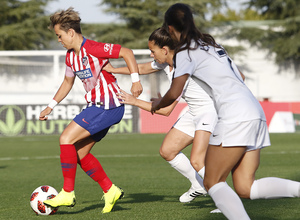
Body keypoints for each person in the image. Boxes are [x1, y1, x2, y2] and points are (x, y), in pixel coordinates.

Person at [151, 3, 300, 219]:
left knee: (212, 181)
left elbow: (174, 93)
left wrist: (157, 104)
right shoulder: (212, 44)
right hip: (254, 111)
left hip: (234, 115)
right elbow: (241, 76)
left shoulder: (184, 52)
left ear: (171, 28)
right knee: (245, 187)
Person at [39, 7, 143, 214]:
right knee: (79, 153)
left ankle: (67, 193)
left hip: (108, 105)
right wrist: (51, 105)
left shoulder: (94, 48)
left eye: (59, 35)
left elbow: (127, 52)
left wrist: (135, 81)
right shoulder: (70, 57)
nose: (59, 40)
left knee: (65, 138)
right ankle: (110, 190)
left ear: (71, 32)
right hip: (97, 106)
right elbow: (67, 82)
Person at [104, 27, 218, 203]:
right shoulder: (167, 62)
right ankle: (198, 185)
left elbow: (166, 110)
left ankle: (225, 200)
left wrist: (133, 101)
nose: (151, 55)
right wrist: (113, 69)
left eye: (152, 51)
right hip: (194, 112)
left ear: (165, 50)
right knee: (168, 150)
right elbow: (141, 68)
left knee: (198, 161)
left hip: (210, 113)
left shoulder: (183, 69)